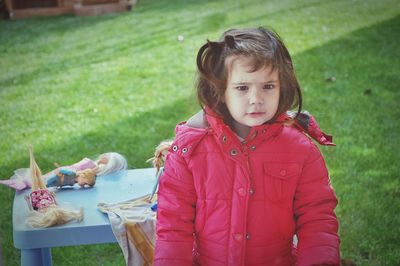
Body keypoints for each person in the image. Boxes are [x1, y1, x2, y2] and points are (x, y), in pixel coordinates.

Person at [154, 27, 340, 265]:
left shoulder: (301, 150)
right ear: (220, 91)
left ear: (282, 86)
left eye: (268, 86)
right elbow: (172, 225)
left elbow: (317, 219)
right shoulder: (190, 151)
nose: (256, 98)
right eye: (242, 88)